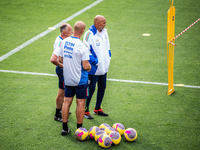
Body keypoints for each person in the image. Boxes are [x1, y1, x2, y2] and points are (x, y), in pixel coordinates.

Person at [59, 21, 91, 135]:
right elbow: (86, 66)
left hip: (68, 78)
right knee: (81, 103)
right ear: (83, 31)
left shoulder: (64, 42)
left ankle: (64, 128)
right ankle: (79, 129)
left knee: (66, 102)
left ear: (74, 28)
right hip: (80, 80)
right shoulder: (83, 46)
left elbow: (60, 59)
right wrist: (90, 67)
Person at [83, 15, 111, 119]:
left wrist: (109, 56)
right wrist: (96, 62)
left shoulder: (104, 32)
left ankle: (98, 108)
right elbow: (85, 50)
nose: (105, 24)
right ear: (97, 23)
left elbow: (107, 45)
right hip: (94, 69)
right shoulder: (89, 34)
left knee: (102, 87)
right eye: (103, 23)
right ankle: (86, 110)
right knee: (91, 89)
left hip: (104, 67)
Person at [50, 23, 73, 122]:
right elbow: (53, 59)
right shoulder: (61, 42)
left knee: (64, 91)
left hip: (63, 70)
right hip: (62, 70)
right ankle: (57, 114)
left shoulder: (62, 39)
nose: (72, 32)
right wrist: (64, 66)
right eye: (70, 30)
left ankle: (63, 109)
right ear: (65, 32)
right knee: (61, 92)